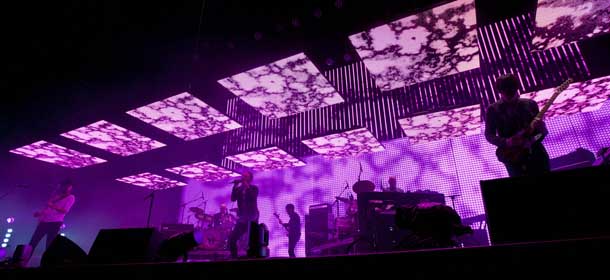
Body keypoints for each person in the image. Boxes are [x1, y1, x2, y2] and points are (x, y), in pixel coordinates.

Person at [485, 73, 550, 177]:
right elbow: (489, 135)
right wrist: (506, 142)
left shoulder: (531, 104)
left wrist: (534, 138)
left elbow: (540, 134)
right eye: (506, 91)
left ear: (516, 88)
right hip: (514, 158)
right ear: (500, 91)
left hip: (537, 155)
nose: (509, 94)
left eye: (512, 89)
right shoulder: (493, 110)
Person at [29, 180, 75, 251]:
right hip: (44, 221)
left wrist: (52, 205)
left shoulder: (71, 197)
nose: (64, 187)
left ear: (70, 187)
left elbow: (64, 211)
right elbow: (48, 209)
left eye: (67, 186)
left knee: (49, 245)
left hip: (55, 223)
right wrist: (40, 213)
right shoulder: (56, 196)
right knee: (32, 243)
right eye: (63, 186)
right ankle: (23, 260)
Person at [228, 171, 259, 258]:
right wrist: (235, 186)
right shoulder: (239, 189)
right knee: (232, 239)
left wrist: (247, 186)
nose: (243, 177)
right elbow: (233, 199)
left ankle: (253, 256)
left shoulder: (254, 188)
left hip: (252, 216)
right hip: (242, 218)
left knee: (252, 240)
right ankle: (234, 257)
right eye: (243, 176)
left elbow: (253, 197)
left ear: (250, 178)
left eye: (246, 176)